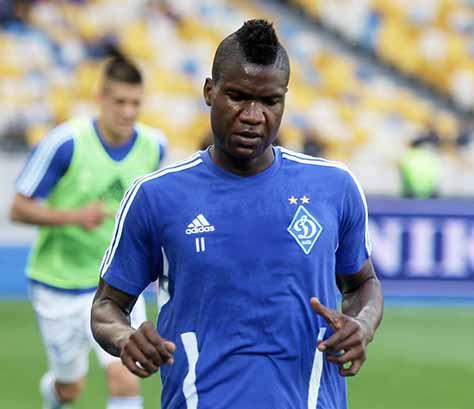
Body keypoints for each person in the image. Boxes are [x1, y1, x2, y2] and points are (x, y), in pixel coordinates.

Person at [91, 19, 383, 409]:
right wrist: (125, 337)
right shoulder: (156, 197)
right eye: (238, 97)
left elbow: (363, 284)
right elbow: (106, 307)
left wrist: (362, 325)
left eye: (269, 101)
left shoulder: (334, 187)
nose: (253, 115)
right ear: (209, 91)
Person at [10, 56, 167, 409]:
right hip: (60, 284)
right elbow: (18, 208)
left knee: (126, 373)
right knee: (70, 388)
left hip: (119, 282)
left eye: (135, 103)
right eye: (120, 102)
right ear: (101, 98)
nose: (128, 112)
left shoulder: (153, 146)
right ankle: (56, 392)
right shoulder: (65, 143)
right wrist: (75, 216)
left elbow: (151, 213)